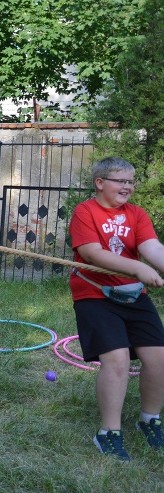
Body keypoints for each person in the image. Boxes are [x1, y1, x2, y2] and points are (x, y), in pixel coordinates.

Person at [69, 156, 164, 461]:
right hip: (95, 295)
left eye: (130, 181)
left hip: (133, 295)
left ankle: (150, 419)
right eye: (120, 181)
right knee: (118, 360)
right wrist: (137, 267)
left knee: (159, 357)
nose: (127, 187)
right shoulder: (85, 212)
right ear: (100, 183)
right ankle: (108, 432)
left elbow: (152, 247)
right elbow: (93, 253)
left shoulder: (136, 214)